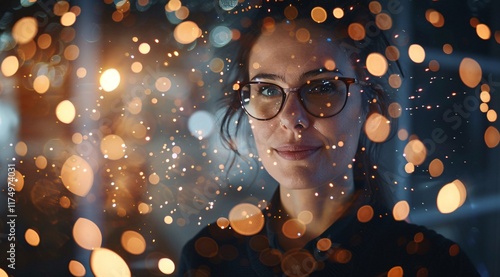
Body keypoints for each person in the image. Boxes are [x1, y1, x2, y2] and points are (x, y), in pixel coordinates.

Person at [179, 0, 479, 276]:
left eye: (321, 87)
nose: (291, 118)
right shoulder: (208, 260)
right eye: (268, 90)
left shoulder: (434, 265)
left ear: (367, 105)